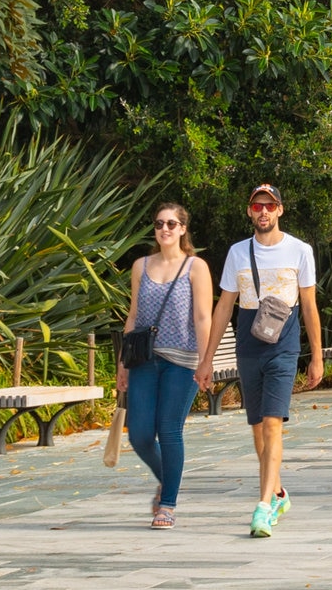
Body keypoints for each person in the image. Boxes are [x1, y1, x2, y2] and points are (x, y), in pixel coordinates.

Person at [198, 184, 321, 539]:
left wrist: (316, 357)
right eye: (257, 206)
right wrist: (207, 360)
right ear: (250, 211)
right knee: (256, 428)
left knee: (272, 424)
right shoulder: (238, 253)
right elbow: (224, 307)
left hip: (284, 344)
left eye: (269, 206)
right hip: (249, 345)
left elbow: (310, 306)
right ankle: (279, 493)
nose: (263, 212)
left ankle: (263, 507)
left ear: (280, 210)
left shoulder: (300, 251)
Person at [120, 202, 214, 530]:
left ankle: (168, 504)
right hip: (144, 359)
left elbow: (203, 317)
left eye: (172, 224)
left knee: (169, 429)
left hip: (183, 361)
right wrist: (123, 365)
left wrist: (206, 362)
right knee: (141, 435)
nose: (165, 229)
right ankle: (168, 479)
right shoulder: (141, 266)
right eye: (160, 224)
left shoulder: (196, 267)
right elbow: (133, 315)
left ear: (183, 229)